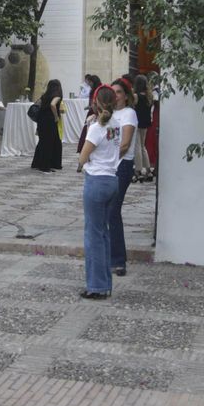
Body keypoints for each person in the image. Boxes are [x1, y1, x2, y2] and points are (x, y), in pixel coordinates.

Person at [78, 84, 121, 299]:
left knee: (93, 236)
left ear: (95, 103)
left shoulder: (96, 128)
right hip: (112, 179)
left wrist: (89, 127)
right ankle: (105, 283)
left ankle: (96, 286)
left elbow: (83, 156)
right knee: (103, 233)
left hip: (96, 180)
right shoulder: (116, 124)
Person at [107, 76, 137, 276]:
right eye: (113, 92)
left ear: (126, 96)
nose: (116, 96)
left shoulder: (129, 114)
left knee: (113, 210)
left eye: (119, 92)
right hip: (109, 167)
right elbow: (109, 140)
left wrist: (108, 159)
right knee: (107, 211)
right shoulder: (109, 115)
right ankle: (112, 256)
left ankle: (118, 261)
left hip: (122, 165)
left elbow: (124, 144)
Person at [30, 78, 64, 171]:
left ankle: (37, 163)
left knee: (43, 142)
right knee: (49, 143)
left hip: (41, 120)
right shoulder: (57, 95)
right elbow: (53, 105)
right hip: (50, 121)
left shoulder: (45, 95)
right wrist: (56, 116)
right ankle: (45, 166)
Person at [133, 73, 155, 182]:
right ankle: (148, 170)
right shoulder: (149, 96)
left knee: (137, 146)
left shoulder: (136, 96)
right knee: (143, 146)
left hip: (137, 122)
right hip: (145, 122)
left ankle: (138, 170)